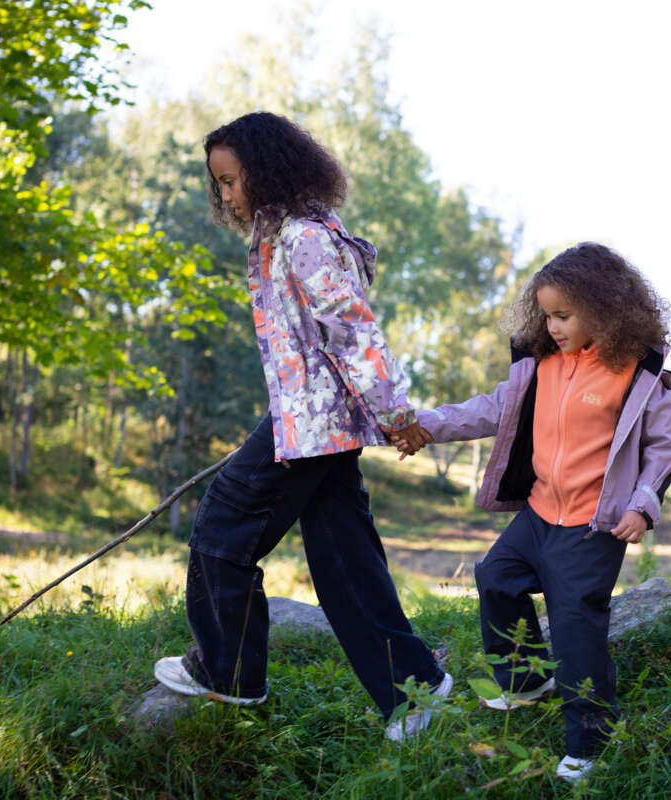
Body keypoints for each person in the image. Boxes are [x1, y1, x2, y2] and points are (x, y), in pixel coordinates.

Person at [153, 111, 449, 742]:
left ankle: (227, 672)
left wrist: (397, 416)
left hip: (316, 423)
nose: (225, 196)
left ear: (267, 169)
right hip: (314, 422)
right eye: (220, 185)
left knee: (222, 527)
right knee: (345, 561)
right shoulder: (280, 234)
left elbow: (353, 331)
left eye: (231, 181)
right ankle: (416, 691)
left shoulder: (305, 238)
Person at [394, 243, 671, 780]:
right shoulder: (540, 365)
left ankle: (591, 743)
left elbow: (664, 448)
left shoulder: (636, 375)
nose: (551, 326)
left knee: (576, 631)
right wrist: (425, 425)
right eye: (546, 314)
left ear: (604, 308)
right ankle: (526, 680)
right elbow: (489, 409)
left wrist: (642, 507)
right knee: (496, 578)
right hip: (539, 513)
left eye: (563, 315)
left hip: (593, 527)